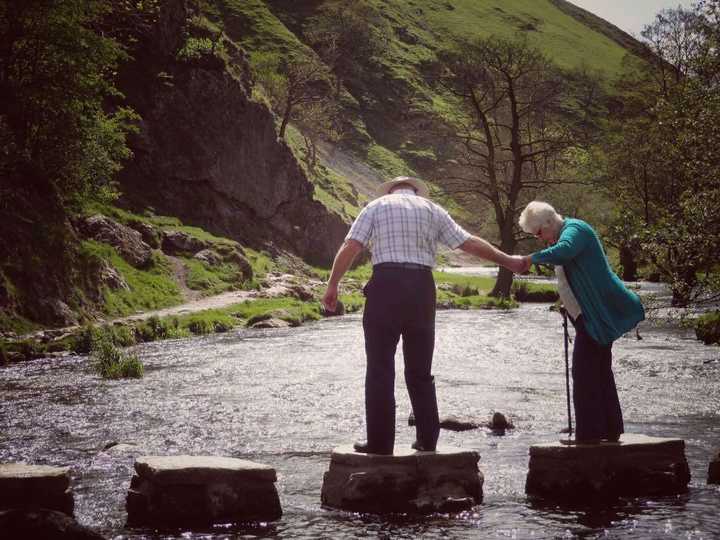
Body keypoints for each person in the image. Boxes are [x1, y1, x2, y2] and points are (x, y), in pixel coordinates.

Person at [322, 176, 520, 455]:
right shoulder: (432, 209)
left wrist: (333, 285)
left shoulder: (375, 206)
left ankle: (380, 444)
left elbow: (351, 247)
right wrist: (508, 260)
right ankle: (427, 441)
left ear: (390, 190)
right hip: (421, 290)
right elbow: (468, 243)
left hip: (385, 286)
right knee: (420, 371)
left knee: (379, 369)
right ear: (416, 191)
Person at [513, 201, 645, 444]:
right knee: (599, 371)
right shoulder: (565, 234)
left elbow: (564, 252)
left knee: (583, 373)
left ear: (550, 222)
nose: (541, 239)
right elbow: (570, 276)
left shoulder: (575, 230)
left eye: (539, 233)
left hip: (597, 314)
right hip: (589, 314)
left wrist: (530, 258)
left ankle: (589, 434)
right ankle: (609, 428)